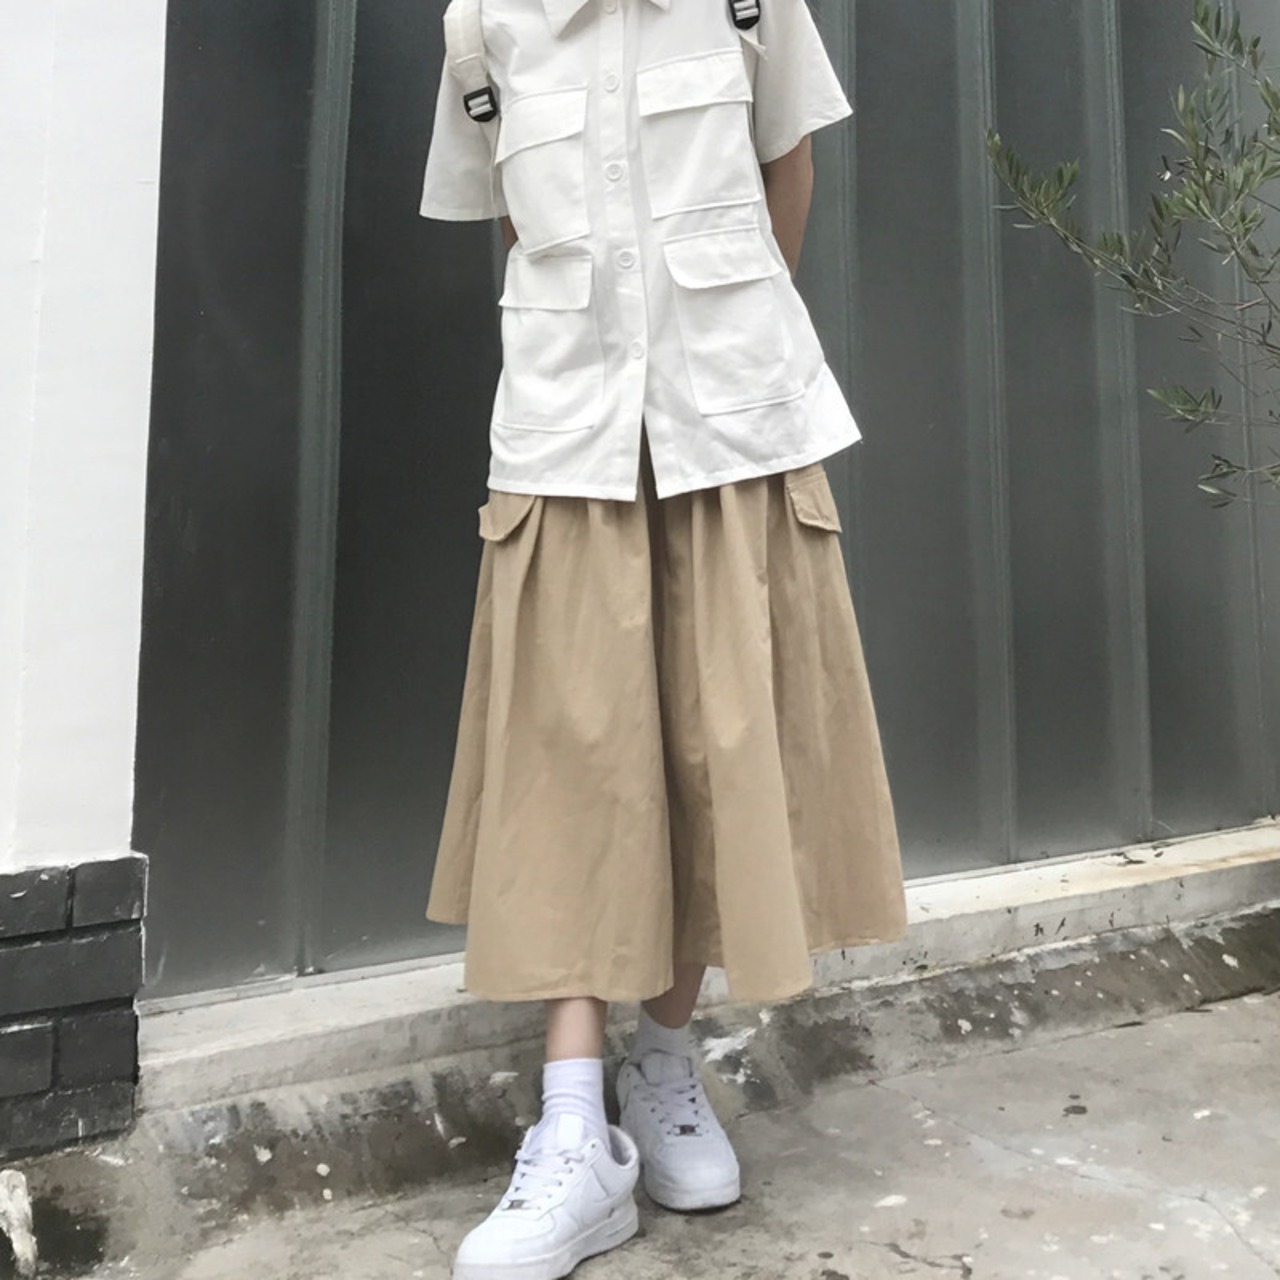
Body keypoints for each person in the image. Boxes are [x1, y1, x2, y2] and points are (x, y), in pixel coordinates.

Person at [419, 1, 909, 1276]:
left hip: (726, 429)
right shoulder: (480, 28)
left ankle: (662, 1061)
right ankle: (570, 1124)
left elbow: (786, 171)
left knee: (708, 743)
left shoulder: (747, 5)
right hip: (567, 440)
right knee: (569, 766)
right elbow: (519, 227)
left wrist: (711, 359)